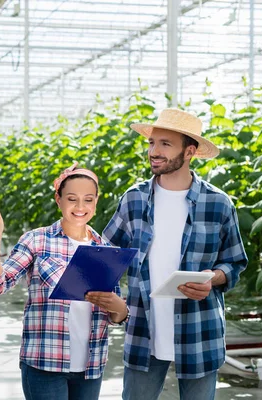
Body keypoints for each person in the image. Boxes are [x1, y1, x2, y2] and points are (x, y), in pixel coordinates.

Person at [97, 108, 248, 400]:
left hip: (199, 332)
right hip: (143, 328)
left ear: (189, 151)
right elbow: (106, 256)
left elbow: (235, 262)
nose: (154, 151)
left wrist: (212, 278)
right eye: (152, 143)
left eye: (165, 144)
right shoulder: (134, 199)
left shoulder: (218, 203)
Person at [0, 163, 128, 400]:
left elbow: (113, 315)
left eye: (88, 199)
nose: (80, 207)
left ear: (96, 201)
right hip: (44, 362)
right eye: (71, 198)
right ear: (58, 199)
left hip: (90, 366)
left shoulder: (105, 249)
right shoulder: (37, 240)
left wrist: (121, 309)